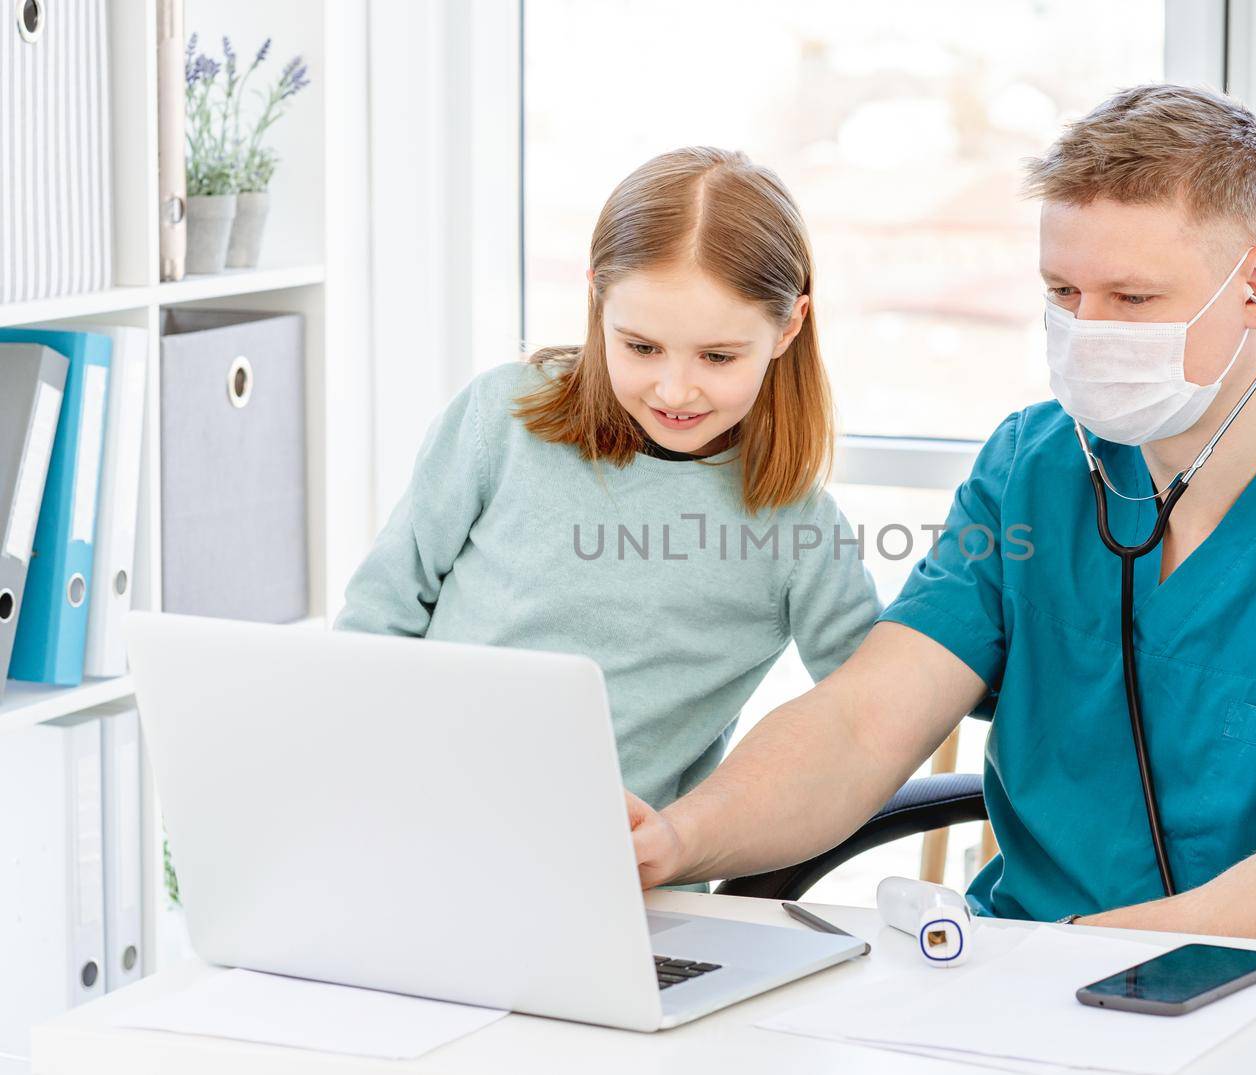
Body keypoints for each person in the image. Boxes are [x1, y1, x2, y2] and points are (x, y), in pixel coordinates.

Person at [624, 87, 1256, 1075]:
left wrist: (1110, 946)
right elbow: (862, 722)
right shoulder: (1034, 467)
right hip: (1009, 1003)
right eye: (1062, 294)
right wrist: (673, 840)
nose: (1088, 329)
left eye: (1133, 299)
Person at [335, 146, 880, 814]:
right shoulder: (503, 418)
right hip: (413, 817)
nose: (675, 387)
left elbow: (875, 714)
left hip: (623, 880)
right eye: (641, 347)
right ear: (597, 299)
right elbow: (378, 615)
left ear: (788, 325)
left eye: (717, 356)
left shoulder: (798, 529)